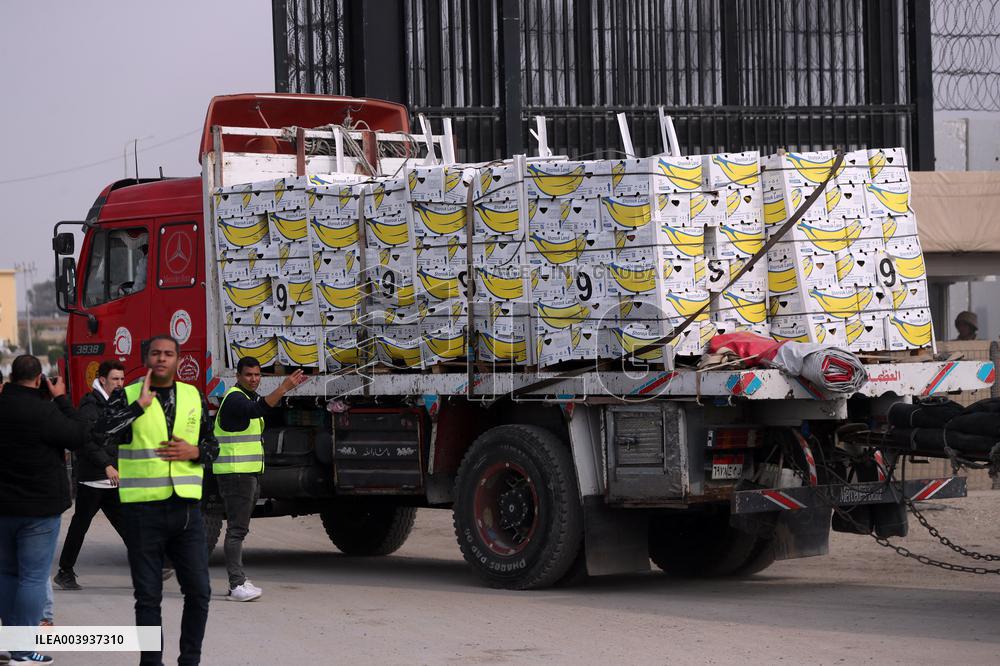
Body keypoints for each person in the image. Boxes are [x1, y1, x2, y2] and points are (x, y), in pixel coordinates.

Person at [95, 336, 218, 666]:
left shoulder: (193, 395)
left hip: (186, 511)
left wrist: (195, 452)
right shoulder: (129, 395)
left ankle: (189, 661)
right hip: (142, 510)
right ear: (146, 358)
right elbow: (99, 432)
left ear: (178, 359)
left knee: (199, 592)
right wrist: (138, 408)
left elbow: (212, 445)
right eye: (156, 354)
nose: (162, 359)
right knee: (148, 597)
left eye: (169, 354)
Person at [0, 356, 89, 665]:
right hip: (39, 509)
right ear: (39, 379)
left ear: (12, 376)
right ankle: (23, 652)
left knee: (8, 574)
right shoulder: (45, 411)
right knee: (33, 578)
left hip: (3, 508)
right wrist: (61, 398)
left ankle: (10, 643)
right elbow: (79, 435)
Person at [213, 358, 305, 601]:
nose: (254, 379)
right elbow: (257, 411)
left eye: (257, 375)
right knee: (236, 530)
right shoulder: (234, 398)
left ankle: (239, 581)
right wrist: (283, 388)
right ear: (238, 375)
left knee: (239, 530)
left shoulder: (247, 397)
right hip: (235, 474)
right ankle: (236, 585)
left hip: (247, 473)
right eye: (248, 375)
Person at [53, 360, 127, 591]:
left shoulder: (115, 404)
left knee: (128, 526)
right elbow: (86, 441)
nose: (120, 383)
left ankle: (152, 565)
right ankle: (65, 571)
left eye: (122, 379)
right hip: (94, 478)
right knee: (80, 526)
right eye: (115, 379)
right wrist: (106, 465)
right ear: (102, 380)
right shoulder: (90, 406)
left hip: (111, 479)